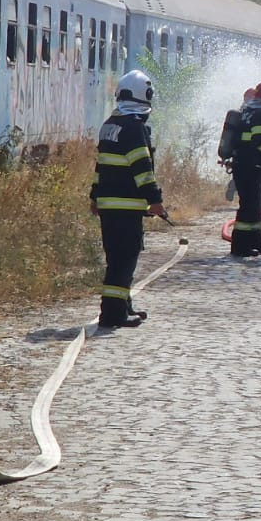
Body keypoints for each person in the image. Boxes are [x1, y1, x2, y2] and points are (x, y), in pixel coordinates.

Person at [89, 70, 166, 330]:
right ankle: (113, 315)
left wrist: (94, 196)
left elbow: (101, 166)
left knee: (116, 258)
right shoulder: (134, 128)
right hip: (126, 205)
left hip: (108, 205)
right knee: (124, 260)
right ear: (144, 96)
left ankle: (123, 305)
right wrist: (154, 199)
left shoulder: (110, 124)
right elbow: (142, 168)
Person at [229, 81, 261, 257]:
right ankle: (240, 246)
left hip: (242, 165)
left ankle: (257, 240)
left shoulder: (247, 111)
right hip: (250, 166)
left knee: (255, 205)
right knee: (249, 206)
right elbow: (259, 141)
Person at [217, 86, 257, 202]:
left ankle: (235, 186)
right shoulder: (254, 113)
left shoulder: (240, 112)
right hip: (249, 150)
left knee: (239, 171)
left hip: (236, 150)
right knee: (250, 174)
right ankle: (243, 195)